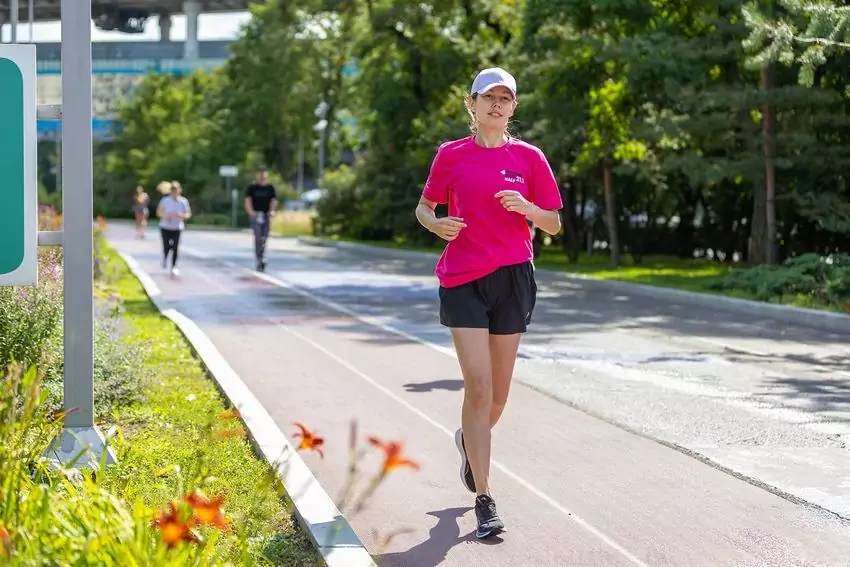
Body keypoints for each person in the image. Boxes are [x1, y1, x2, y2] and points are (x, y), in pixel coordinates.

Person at [414, 67, 563, 539]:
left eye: (505, 99)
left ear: (513, 107)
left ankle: (468, 440)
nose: (497, 105)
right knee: (478, 388)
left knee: (497, 397)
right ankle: (485, 498)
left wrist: (529, 209)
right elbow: (424, 207)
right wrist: (435, 224)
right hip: (463, 278)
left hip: (513, 278)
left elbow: (554, 223)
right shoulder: (451, 155)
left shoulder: (530, 157)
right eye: (488, 97)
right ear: (472, 104)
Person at [244, 167, 278, 272]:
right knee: (258, 237)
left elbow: (273, 200)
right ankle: (259, 259)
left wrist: (272, 211)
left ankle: (262, 256)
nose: (262, 177)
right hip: (256, 215)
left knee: (264, 238)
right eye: (260, 174)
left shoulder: (270, 188)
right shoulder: (252, 188)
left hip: (266, 215)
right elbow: (248, 201)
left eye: (264, 174)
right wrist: (251, 212)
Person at [156, 180, 192, 277]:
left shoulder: (183, 201)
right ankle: (165, 257)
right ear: (170, 191)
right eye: (173, 190)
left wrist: (183, 216)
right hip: (165, 227)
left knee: (175, 247)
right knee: (166, 245)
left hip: (177, 227)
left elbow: (188, 213)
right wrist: (165, 217)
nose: (174, 191)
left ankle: (173, 266)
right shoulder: (165, 200)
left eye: (176, 189)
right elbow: (159, 212)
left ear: (179, 190)